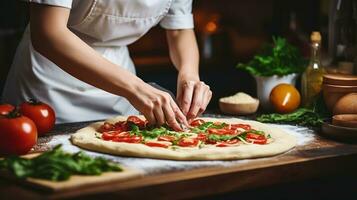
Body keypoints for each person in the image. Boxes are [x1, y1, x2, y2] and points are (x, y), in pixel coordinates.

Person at [2, 0, 212, 130]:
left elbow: (179, 29)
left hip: (120, 86)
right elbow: (48, 33)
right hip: (49, 81)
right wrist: (135, 88)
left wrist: (189, 76)